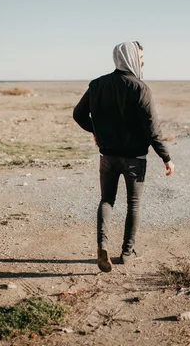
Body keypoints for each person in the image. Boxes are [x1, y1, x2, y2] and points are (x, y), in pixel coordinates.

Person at [73, 41, 175, 273]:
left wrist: (97, 132)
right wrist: (166, 157)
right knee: (134, 205)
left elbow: (78, 115)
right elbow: (152, 128)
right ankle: (127, 253)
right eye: (140, 57)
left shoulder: (97, 84)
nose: (142, 62)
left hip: (107, 156)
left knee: (106, 201)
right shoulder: (140, 88)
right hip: (135, 158)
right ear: (129, 58)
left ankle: (102, 246)